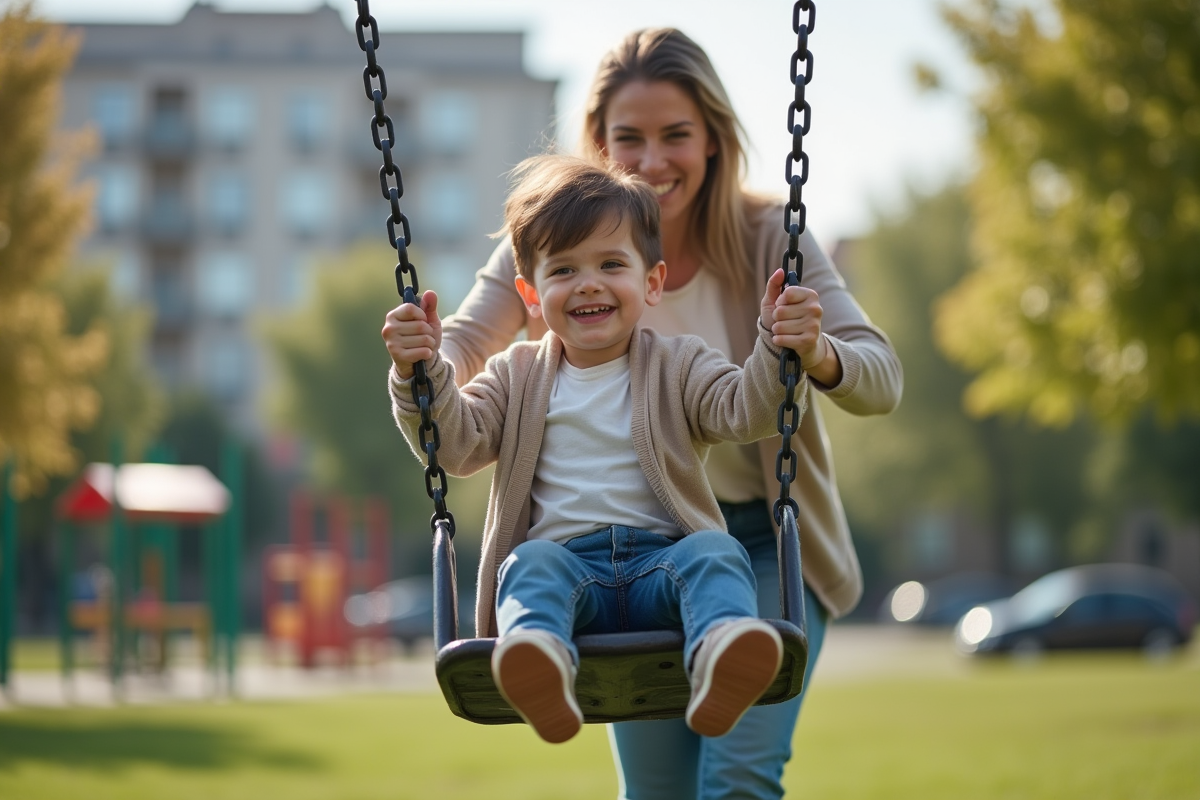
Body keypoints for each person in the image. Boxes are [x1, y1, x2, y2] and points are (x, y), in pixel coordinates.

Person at [426, 28, 902, 800]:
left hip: (755, 544)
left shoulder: (767, 238)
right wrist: (421, 367)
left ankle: (725, 649)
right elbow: (465, 344)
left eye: (675, 134)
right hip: (617, 546)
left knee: (739, 778)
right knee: (657, 792)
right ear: (598, 143)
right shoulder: (555, 239)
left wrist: (810, 351)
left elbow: (880, 380)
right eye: (629, 139)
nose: (651, 161)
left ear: (712, 138)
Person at [384, 154, 818, 745]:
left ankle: (723, 652)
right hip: (567, 571)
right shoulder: (514, 375)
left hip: (664, 567)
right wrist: (420, 372)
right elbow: (456, 445)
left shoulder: (678, 362)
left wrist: (776, 347)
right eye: (563, 269)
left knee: (716, 552)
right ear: (530, 294)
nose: (588, 283)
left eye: (611, 264)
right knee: (529, 567)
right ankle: (537, 660)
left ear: (652, 282)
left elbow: (747, 411)